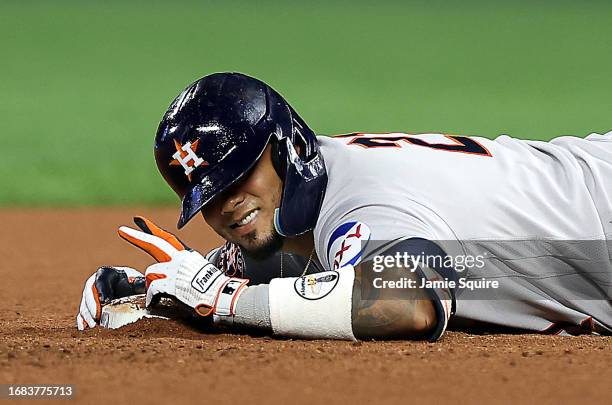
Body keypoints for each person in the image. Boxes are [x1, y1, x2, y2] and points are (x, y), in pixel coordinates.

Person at [77, 72, 612, 340]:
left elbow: (412, 301)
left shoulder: (361, 200)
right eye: (208, 196)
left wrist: (224, 301)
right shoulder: (317, 175)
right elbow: (301, 259)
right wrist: (161, 290)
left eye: (239, 175)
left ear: (283, 147)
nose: (228, 205)